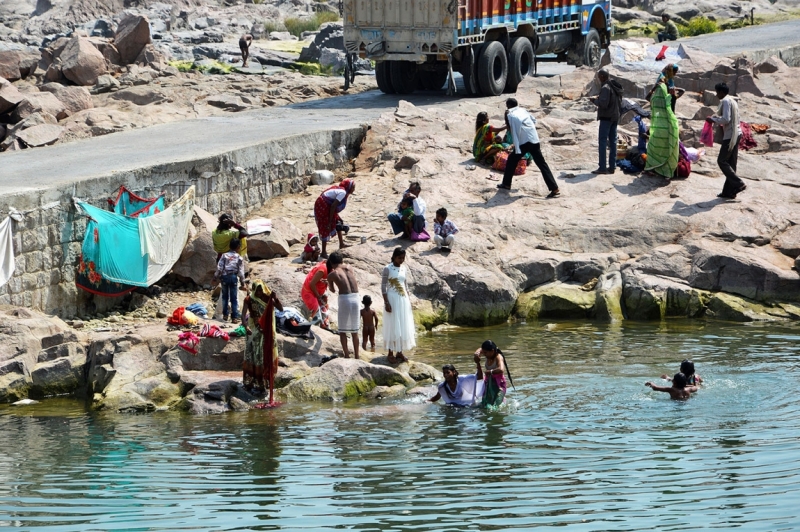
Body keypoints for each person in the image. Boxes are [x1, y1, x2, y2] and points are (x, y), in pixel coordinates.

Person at [500, 98, 560, 197]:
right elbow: (533, 120)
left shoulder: (510, 114)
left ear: (508, 106)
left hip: (524, 142)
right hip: (534, 139)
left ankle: (506, 184)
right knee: (542, 164)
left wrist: (515, 143)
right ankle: (555, 189)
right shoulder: (523, 110)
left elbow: (512, 129)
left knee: (511, 159)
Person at [242, 280, 284, 396]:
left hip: (267, 332)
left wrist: (275, 299)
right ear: (254, 289)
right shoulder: (249, 299)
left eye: (261, 290)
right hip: (254, 331)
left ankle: (265, 383)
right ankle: (252, 382)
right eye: (257, 290)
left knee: (265, 356)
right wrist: (246, 327)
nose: (259, 292)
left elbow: (280, 309)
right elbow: (243, 314)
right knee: (254, 356)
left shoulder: (267, 298)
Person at [707, 82, 746, 199]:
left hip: (730, 135)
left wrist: (713, 120)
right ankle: (729, 192)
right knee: (731, 164)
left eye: (717, 92)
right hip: (737, 133)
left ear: (721, 92)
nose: (716, 94)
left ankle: (738, 183)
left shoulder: (725, 101)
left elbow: (726, 119)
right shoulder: (732, 100)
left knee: (722, 161)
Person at [381, 247, 416, 363]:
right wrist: (386, 302)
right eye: (399, 258)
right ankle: (390, 353)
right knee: (393, 325)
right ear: (394, 257)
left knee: (402, 324)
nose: (401, 260)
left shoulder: (404, 269)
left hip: (403, 300)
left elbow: (405, 285)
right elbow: (383, 286)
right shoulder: (387, 269)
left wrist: (409, 299)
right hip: (392, 299)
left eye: (403, 258)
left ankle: (399, 352)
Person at [643, 73, 679, 179]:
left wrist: (655, 87)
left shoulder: (656, 98)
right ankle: (667, 171)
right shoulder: (670, 96)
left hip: (659, 126)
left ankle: (654, 168)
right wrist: (671, 86)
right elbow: (681, 92)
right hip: (670, 125)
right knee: (669, 148)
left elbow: (647, 97)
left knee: (654, 148)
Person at [326, 251, 360, 359]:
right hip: (355, 298)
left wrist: (328, 283)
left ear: (331, 263)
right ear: (342, 260)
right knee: (355, 331)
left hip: (344, 299)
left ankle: (346, 355)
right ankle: (357, 356)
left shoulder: (332, 274)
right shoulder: (350, 267)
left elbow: (332, 290)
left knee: (342, 330)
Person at [590, 69, 624, 175]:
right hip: (615, 116)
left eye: (599, 76)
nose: (598, 78)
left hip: (606, 118)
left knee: (603, 142)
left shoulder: (605, 87)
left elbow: (603, 104)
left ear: (603, 77)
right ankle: (612, 166)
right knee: (613, 141)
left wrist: (594, 101)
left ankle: (602, 168)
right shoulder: (614, 85)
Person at [314, 179, 356, 258]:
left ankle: (341, 244)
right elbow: (333, 206)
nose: (354, 189)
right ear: (349, 187)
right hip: (323, 206)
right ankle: (323, 252)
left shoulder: (342, 191)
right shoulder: (342, 193)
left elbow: (333, 206)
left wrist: (336, 216)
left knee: (338, 222)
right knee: (326, 226)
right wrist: (330, 221)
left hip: (327, 206)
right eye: (353, 187)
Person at [214, 238, 246, 322]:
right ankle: (234, 317)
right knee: (234, 298)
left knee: (225, 297)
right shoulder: (239, 257)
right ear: (238, 247)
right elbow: (241, 271)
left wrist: (215, 277)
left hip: (224, 277)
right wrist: (243, 283)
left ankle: (225, 315)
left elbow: (219, 267)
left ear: (229, 246)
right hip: (233, 277)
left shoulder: (224, 255)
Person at [475, 340, 509, 408]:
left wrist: (490, 371)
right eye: (483, 352)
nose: (484, 354)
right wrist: (476, 354)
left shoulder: (498, 357)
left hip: (499, 384)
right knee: (485, 402)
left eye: (485, 353)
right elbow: (480, 349)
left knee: (496, 405)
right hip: (488, 382)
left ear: (492, 351)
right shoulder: (488, 354)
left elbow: (501, 369)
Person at [300, 260, 330, 328]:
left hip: (318, 292)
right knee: (315, 308)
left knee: (325, 307)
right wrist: (318, 296)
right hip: (309, 292)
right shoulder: (322, 269)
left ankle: (323, 323)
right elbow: (312, 284)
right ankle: (311, 324)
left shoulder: (329, 269)